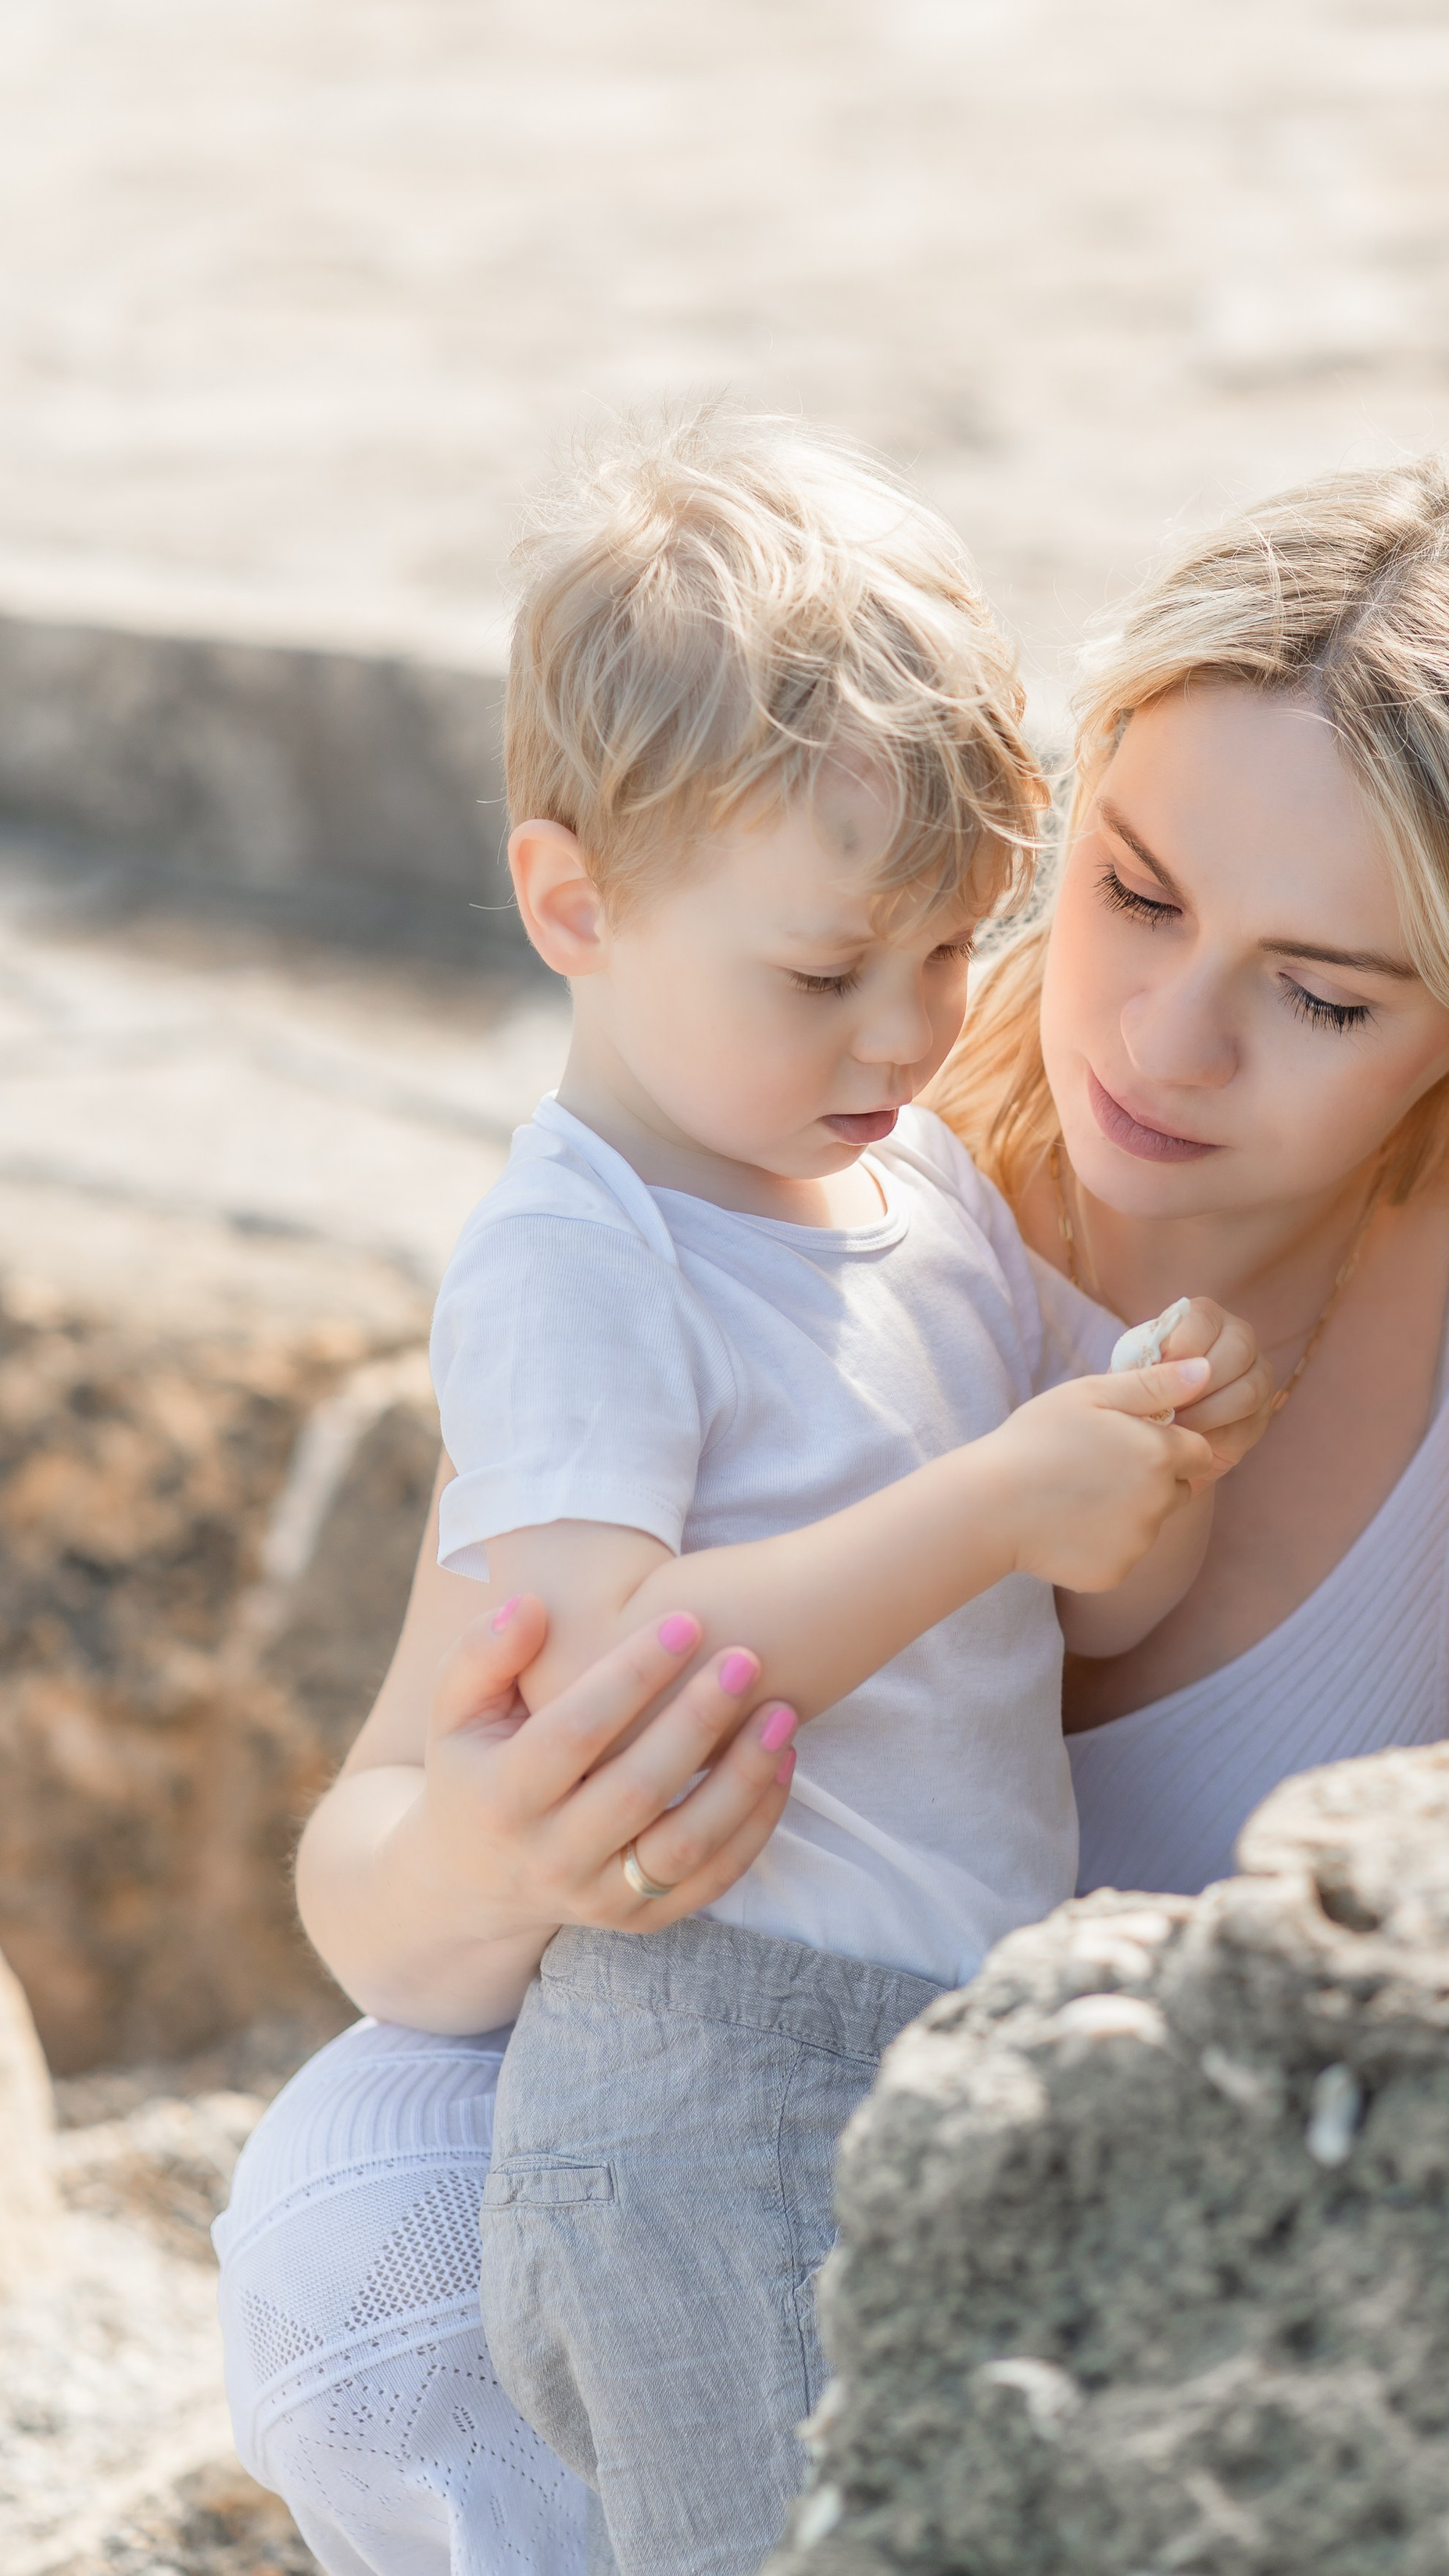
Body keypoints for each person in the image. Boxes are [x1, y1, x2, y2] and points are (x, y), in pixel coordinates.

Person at [216, 452, 1449, 2576]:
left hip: (1225, 2289)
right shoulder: (809, 1189)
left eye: (1324, 995)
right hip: (717, 2153)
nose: (1157, 1039)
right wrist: (500, 1858)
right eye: (1128, 890)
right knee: (371, 2184)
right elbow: (373, 1862)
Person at [260, 403, 1267, 2576]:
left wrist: (1145, 1439)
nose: (909, 1033)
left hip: (957, 2019)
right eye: (826, 972)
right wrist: (1003, 1500)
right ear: (572, 902)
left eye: (954, 953)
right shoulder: (577, 1252)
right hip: (708, 2077)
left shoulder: (908, 1182)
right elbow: (615, 1677)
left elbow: (1060, 1618)